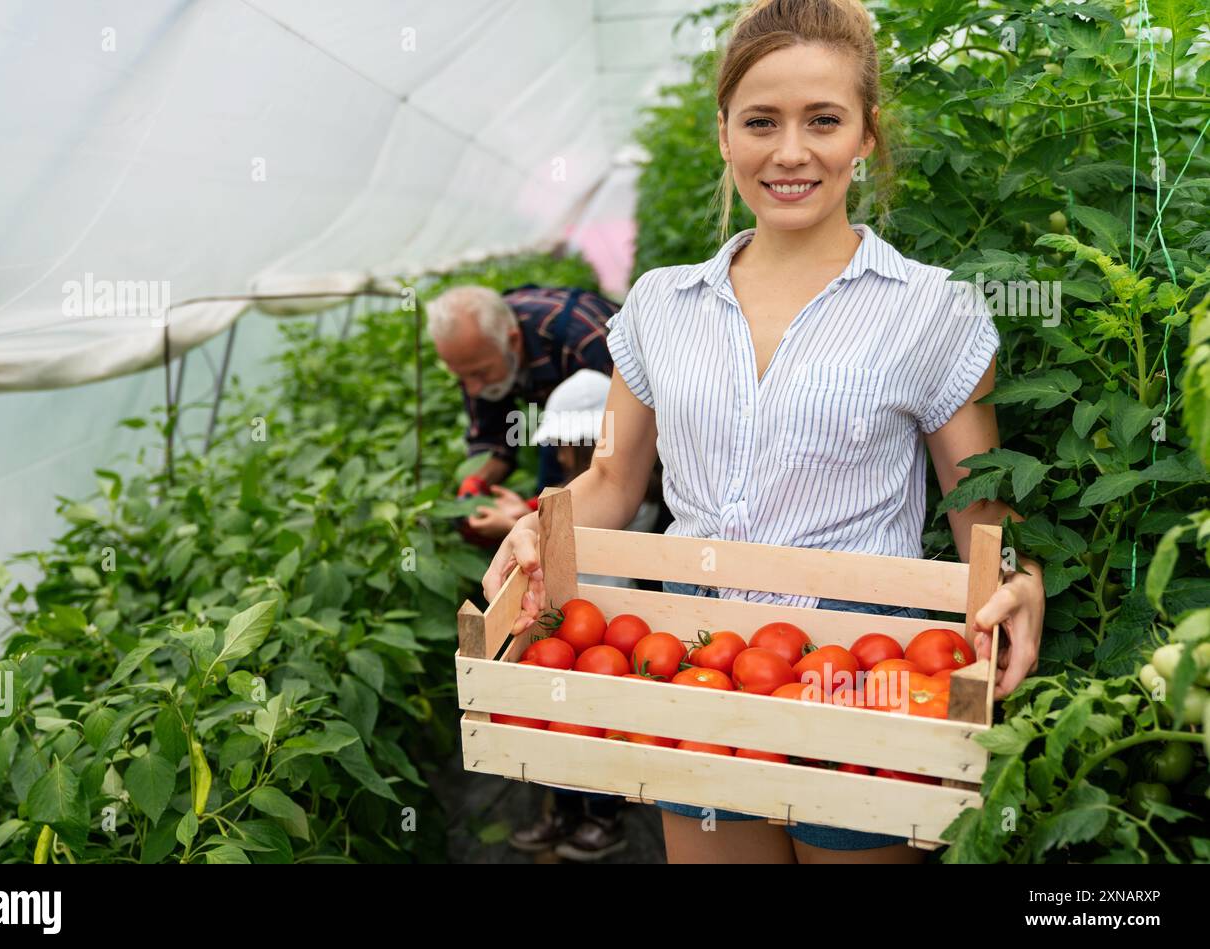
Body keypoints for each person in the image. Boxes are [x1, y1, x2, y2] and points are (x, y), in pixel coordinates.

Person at [480, 0, 1046, 864]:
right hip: (690, 666)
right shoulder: (661, 305)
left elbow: (983, 514)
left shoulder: (934, 310)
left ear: (866, 135)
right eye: (761, 121)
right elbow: (614, 483)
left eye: (824, 120)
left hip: (867, 668)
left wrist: (1021, 580)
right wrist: (539, 527)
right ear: (723, 134)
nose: (790, 151)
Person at [496, 369, 658, 861]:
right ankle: (568, 810)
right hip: (571, 633)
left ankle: (603, 814)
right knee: (565, 727)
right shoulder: (617, 496)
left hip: (604, 634)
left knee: (597, 727)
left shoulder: (639, 507)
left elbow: (573, 534)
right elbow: (559, 518)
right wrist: (522, 519)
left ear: (591, 444)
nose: (561, 456)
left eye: (569, 446)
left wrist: (518, 521)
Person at [426, 283, 620, 546]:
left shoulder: (585, 342)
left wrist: (528, 520)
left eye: (479, 373)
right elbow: (494, 438)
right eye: (462, 376)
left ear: (513, 341)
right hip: (566, 430)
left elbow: (623, 461)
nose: (472, 388)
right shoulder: (483, 350)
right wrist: (475, 485)